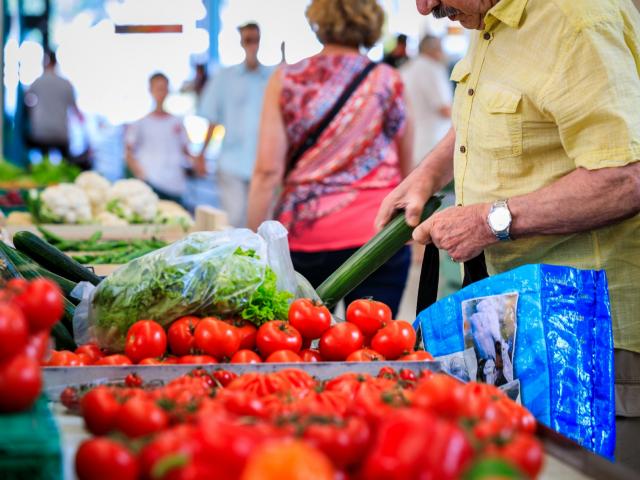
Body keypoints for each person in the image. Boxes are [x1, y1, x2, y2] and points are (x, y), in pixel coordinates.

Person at [376, 0, 640, 464]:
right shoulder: (489, 17)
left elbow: (625, 177)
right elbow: (479, 114)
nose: (425, 6)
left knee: (582, 467)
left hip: (595, 336)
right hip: (518, 316)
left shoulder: (579, 21)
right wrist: (427, 175)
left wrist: (489, 221)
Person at [247, 0, 414, 315]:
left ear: (318, 19)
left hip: (305, 236)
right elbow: (409, 170)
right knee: (371, 347)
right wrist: (412, 234)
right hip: (377, 238)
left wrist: (253, 243)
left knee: (300, 345)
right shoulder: (388, 80)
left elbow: (267, 172)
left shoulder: (287, 79)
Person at [197, 22, 273, 227]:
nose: (252, 45)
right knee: (235, 219)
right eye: (248, 40)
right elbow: (212, 119)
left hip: (265, 163)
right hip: (232, 163)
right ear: (241, 42)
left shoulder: (273, 77)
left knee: (264, 222)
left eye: (255, 40)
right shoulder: (225, 77)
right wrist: (202, 154)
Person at [125, 72, 204, 203]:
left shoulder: (177, 122)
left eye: (164, 88)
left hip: (175, 185)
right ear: (150, 90)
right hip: (151, 183)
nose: (162, 93)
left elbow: (186, 150)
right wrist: (140, 173)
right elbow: (128, 152)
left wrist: (197, 163)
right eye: (158, 88)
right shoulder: (140, 123)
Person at [401, 34, 452, 165]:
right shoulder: (431, 69)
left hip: (412, 142)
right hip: (431, 143)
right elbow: (445, 110)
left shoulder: (407, 68)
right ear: (436, 49)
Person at [25, 51, 83, 160]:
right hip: (61, 133)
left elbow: (27, 100)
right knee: (65, 165)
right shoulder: (66, 83)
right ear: (56, 63)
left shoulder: (37, 82)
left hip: (41, 132)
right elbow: (76, 110)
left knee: (43, 165)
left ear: (44, 63)